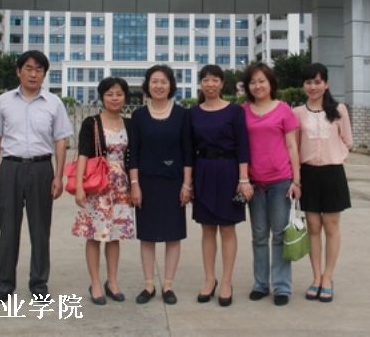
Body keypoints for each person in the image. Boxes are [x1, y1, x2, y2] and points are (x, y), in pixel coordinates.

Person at [0, 50, 73, 302]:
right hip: (10, 168)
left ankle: (38, 283)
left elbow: (60, 141)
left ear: (44, 75)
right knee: (8, 229)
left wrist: (58, 176)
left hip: (41, 169)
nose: (33, 74)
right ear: (19, 71)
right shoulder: (4, 101)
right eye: (28, 68)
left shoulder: (54, 103)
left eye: (39, 70)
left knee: (40, 229)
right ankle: (4, 285)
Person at [129, 65, 193, 305]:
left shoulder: (182, 115)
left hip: (174, 182)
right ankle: (148, 285)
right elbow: (133, 154)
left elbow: (188, 152)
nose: (158, 86)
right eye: (154, 81)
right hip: (146, 182)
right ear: (147, 85)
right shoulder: (138, 116)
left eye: (163, 81)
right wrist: (134, 184)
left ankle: (168, 285)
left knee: (173, 235)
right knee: (147, 235)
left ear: (171, 85)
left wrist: (187, 184)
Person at [190, 64, 252, 307]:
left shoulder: (235, 111)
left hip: (229, 171)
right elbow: (188, 150)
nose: (210, 84)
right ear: (201, 84)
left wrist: (243, 179)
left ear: (222, 83)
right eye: (206, 80)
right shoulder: (193, 113)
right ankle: (209, 279)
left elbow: (243, 147)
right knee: (207, 228)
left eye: (215, 79)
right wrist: (188, 182)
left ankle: (226, 280)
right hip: (203, 171)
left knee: (227, 228)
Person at [241, 63, 301, 306]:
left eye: (262, 81)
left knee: (279, 235)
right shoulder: (243, 111)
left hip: (280, 181)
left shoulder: (284, 109)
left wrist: (297, 180)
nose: (257, 86)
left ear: (270, 83)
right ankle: (260, 284)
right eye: (253, 82)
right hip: (254, 183)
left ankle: (282, 287)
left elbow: (292, 146)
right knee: (258, 236)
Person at [71, 77, 135, 305]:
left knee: (115, 236)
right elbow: (83, 155)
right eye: (109, 94)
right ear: (102, 97)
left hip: (121, 187)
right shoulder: (92, 123)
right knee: (94, 235)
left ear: (125, 97)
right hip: (97, 186)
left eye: (119, 94)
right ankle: (96, 282)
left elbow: (134, 158)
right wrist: (79, 186)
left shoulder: (129, 124)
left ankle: (113, 282)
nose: (114, 98)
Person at [292, 62, 353, 304]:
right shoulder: (297, 113)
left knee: (331, 226)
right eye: (308, 82)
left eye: (317, 82)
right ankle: (316, 277)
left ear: (326, 84)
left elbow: (347, 140)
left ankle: (328, 277)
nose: (313, 87)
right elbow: (294, 147)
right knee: (313, 227)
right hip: (308, 174)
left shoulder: (338, 110)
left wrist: (334, 156)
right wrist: (297, 179)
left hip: (332, 173)